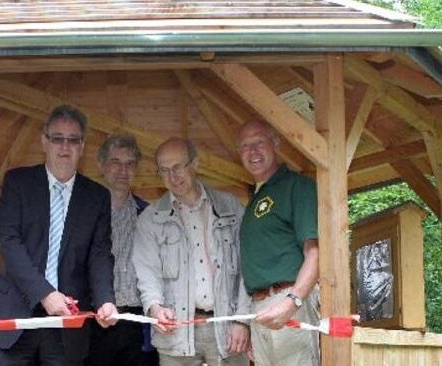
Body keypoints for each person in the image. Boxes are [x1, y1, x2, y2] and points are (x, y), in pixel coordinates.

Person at [0, 105, 118, 366]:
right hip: (15, 316)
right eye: (57, 138)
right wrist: (45, 294)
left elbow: (100, 256)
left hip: (66, 326)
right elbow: (9, 242)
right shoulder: (17, 182)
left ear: (82, 146)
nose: (64, 147)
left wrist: (106, 301)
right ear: (44, 141)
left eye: (73, 140)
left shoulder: (97, 197)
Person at [132, 137, 250, 366]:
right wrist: (155, 308)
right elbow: (146, 271)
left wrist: (243, 321)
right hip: (175, 334)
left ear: (194, 164)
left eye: (178, 167)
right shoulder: (150, 218)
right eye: (164, 170)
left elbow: (249, 268)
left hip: (227, 329)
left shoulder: (231, 208)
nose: (172, 176)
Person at [236, 120, 320, 366]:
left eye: (259, 142)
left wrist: (292, 302)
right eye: (245, 146)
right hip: (259, 307)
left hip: (289, 299)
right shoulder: (255, 198)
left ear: (275, 144)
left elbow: (315, 253)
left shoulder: (297, 186)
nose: (253, 151)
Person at [87, 134, 159, 366]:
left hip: (136, 321)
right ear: (101, 165)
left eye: (129, 163)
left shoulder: (147, 214)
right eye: (115, 162)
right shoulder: (84, 213)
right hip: (95, 320)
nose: (122, 170)